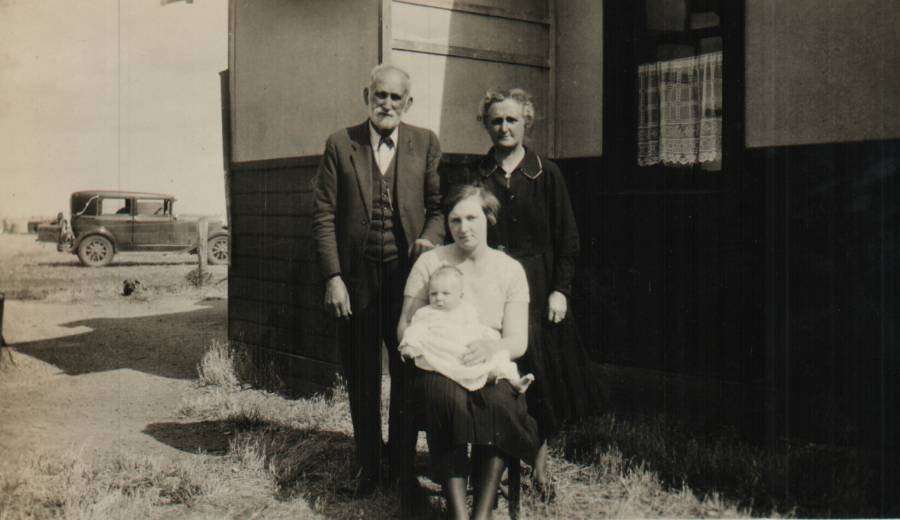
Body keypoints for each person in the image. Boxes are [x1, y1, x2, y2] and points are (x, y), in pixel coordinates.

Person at [311, 64, 444, 494]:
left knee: (406, 374)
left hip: (407, 282)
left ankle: (403, 469)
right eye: (379, 95)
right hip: (356, 279)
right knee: (362, 375)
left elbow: (438, 208)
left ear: (408, 102)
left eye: (395, 97)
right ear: (366, 95)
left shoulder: (424, 143)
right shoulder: (340, 143)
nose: (386, 104)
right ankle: (369, 467)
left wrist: (427, 241)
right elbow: (324, 214)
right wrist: (333, 276)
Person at [469, 88, 599, 498]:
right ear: (486, 125)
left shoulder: (547, 172)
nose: (504, 127)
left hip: (538, 286)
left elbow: (569, 239)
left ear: (527, 122)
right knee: (494, 375)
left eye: (511, 120)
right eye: (496, 121)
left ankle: (538, 466)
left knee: (537, 378)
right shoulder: (477, 174)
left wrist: (560, 290)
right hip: (489, 286)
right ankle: (492, 465)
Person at [398, 184, 540, 520]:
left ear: (489, 218)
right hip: (438, 361)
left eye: (472, 218)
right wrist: (433, 352)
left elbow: (517, 340)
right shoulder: (431, 262)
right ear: (446, 223)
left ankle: (482, 511)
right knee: (443, 399)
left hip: (486, 355)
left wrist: (492, 346)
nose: (464, 228)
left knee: (501, 402)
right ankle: (459, 513)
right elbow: (405, 325)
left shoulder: (509, 269)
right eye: (455, 220)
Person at [399, 264, 534, 393]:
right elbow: (414, 330)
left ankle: (514, 381)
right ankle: (487, 377)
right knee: (456, 368)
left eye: (446, 293)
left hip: (466, 347)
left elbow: (475, 327)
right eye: (433, 294)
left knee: (499, 357)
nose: (439, 298)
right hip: (444, 350)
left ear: (460, 296)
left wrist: (487, 339)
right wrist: (409, 346)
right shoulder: (425, 313)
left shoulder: (466, 309)